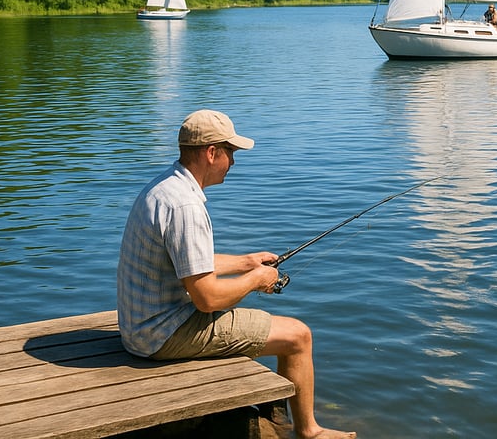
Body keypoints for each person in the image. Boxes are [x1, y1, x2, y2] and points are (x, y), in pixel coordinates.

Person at [117, 110, 356, 439]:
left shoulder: (164, 188)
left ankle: (278, 417)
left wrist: (246, 263)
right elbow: (207, 299)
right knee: (298, 336)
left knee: (275, 327)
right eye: (230, 152)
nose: (233, 161)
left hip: (139, 327)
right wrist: (258, 280)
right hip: (162, 335)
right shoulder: (186, 207)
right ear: (211, 153)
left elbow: (189, 262)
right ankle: (309, 431)